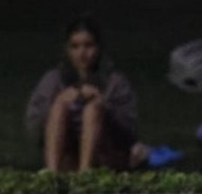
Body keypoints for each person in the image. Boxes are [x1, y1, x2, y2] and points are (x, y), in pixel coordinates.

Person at [25, 13, 144, 172]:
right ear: (67, 50)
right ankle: (52, 174)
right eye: (75, 47)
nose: (82, 53)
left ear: (98, 47)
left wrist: (104, 105)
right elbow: (34, 126)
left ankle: (85, 174)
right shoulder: (53, 79)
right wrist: (57, 101)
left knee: (93, 109)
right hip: (66, 154)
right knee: (60, 105)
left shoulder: (115, 82)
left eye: (88, 46)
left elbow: (129, 132)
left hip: (104, 153)